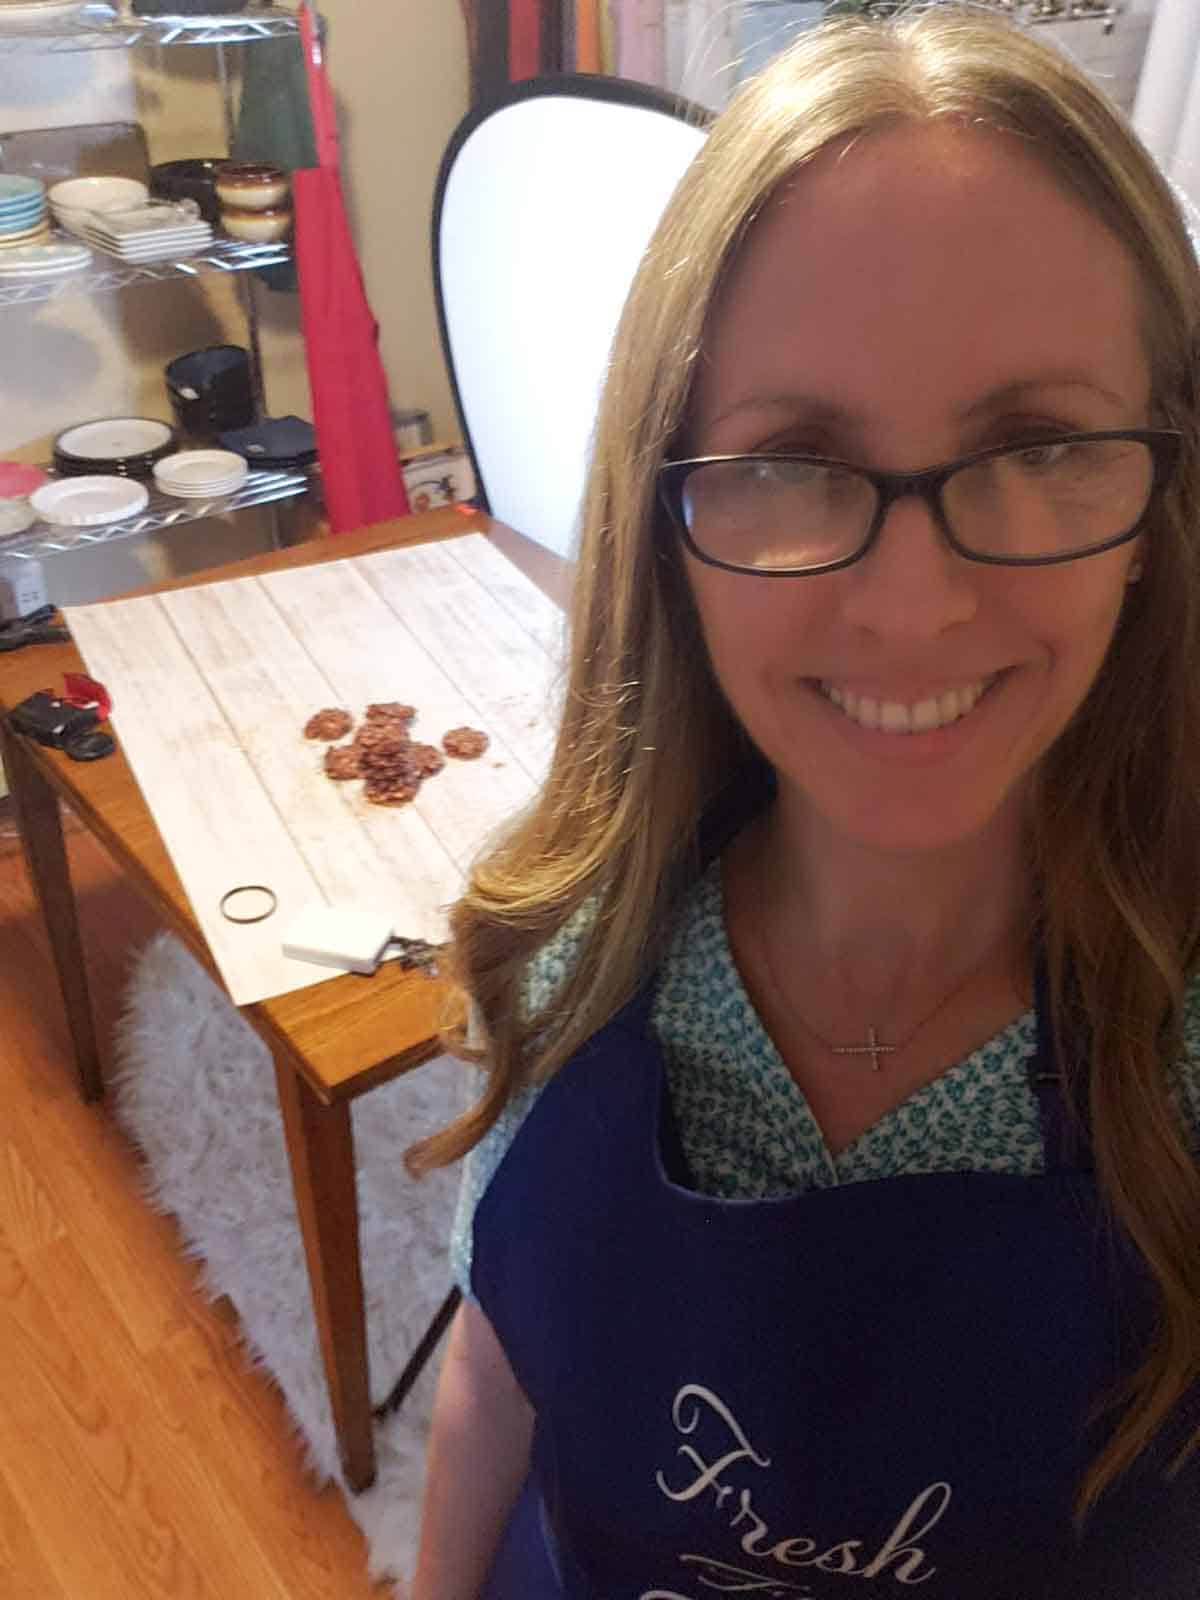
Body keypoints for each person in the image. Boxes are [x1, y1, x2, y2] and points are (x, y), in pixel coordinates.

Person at [409, 6, 1200, 1596]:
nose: (913, 610)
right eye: (791, 457)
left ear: (1159, 500)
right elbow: (495, 1378)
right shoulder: (568, 949)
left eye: (1039, 443)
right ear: (666, 509)